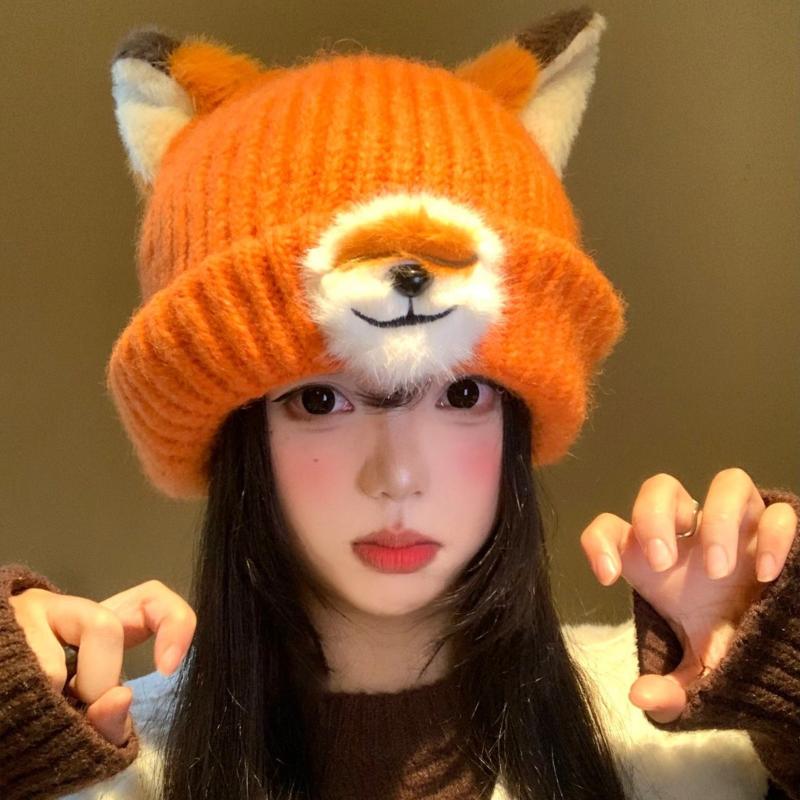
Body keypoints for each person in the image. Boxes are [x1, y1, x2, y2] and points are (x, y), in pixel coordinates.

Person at [0, 7, 798, 800]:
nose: (398, 475)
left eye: (461, 392)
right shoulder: (109, 767)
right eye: (320, 400)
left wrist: (784, 664)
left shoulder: (683, 747)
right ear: (240, 433)